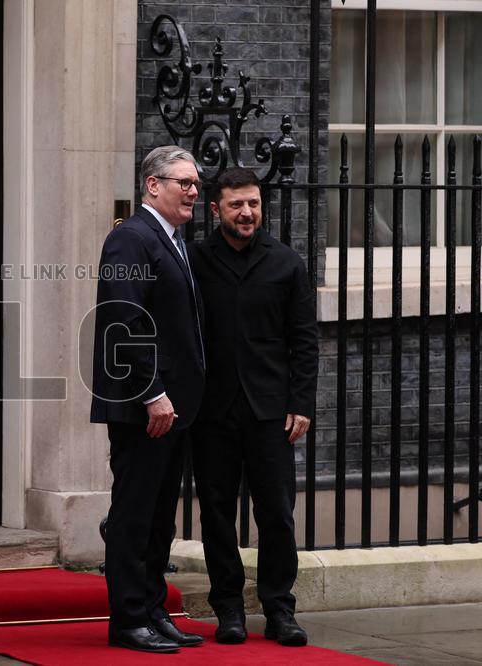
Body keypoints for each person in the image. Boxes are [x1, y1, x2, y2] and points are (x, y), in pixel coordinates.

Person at [187, 167, 318, 646]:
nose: (247, 213)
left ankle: (280, 610)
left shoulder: (286, 262)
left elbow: (304, 340)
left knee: (277, 513)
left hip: (271, 411)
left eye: (254, 204)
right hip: (212, 410)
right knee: (217, 512)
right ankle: (228, 610)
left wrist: (301, 402)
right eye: (237, 205)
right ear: (216, 208)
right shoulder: (195, 260)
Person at [90, 145, 207, 653]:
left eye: (197, 184)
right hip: (146, 408)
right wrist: (153, 393)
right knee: (134, 516)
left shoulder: (173, 239)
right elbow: (124, 320)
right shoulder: (132, 239)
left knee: (161, 517)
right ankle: (128, 619)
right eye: (184, 182)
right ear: (152, 185)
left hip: (174, 407)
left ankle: (155, 610)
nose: (194, 192)